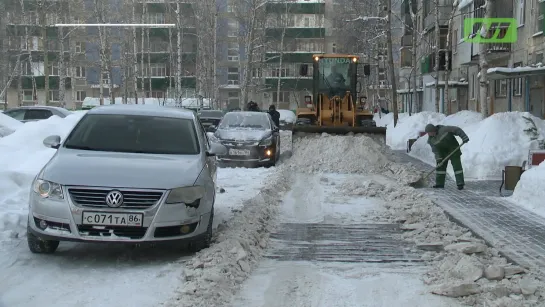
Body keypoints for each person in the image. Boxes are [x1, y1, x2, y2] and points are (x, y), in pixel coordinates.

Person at [425, 124, 470, 190]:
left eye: (429, 133)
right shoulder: (431, 140)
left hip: (453, 149)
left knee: (457, 166)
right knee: (440, 167)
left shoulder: (444, 129)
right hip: (442, 153)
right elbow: (435, 151)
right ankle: (439, 184)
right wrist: (439, 158)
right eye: (428, 133)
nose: (428, 134)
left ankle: (460, 183)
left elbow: (457, 129)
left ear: (433, 130)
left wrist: (464, 137)